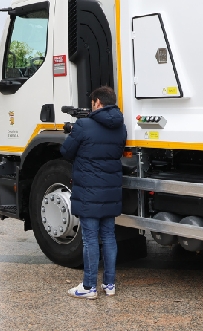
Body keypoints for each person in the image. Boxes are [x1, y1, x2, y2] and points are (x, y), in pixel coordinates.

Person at [60, 86, 127, 300]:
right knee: (108, 236)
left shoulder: (83, 125)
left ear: (97, 102)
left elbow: (66, 152)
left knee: (90, 239)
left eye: (92, 102)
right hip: (110, 190)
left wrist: (72, 131)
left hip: (89, 191)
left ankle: (89, 286)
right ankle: (109, 284)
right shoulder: (120, 127)